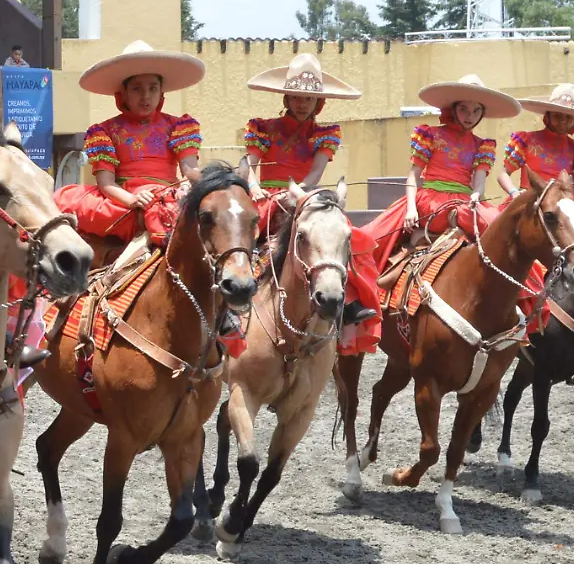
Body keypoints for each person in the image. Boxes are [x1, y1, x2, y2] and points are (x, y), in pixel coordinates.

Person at [239, 51, 380, 350]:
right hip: (266, 199)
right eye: (296, 97)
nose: (302, 103)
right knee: (237, 243)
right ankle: (231, 303)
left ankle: (351, 303)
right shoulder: (262, 127)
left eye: (309, 98)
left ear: (319, 102)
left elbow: (316, 172)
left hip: (303, 196)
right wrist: (253, 186)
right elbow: (247, 165)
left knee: (345, 241)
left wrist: (298, 194)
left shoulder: (325, 133)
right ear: (286, 98)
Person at [357, 74, 519, 273]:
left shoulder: (482, 145)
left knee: (502, 227)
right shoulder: (431, 134)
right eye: (464, 109)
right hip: (431, 201)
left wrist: (476, 194)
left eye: (476, 111)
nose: (470, 116)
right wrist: (410, 209)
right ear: (453, 108)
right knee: (371, 238)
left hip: (466, 202)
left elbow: (479, 181)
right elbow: (413, 176)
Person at [53, 40, 207, 249]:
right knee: (62, 203)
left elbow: (190, 171)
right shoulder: (105, 131)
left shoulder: (179, 126)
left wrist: (203, 184)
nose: (145, 96)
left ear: (161, 93)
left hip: (166, 197)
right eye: (137, 89)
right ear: (123, 93)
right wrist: (133, 200)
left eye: (152, 88)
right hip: (124, 201)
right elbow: (106, 184)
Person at [502, 83, 574, 331]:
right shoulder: (525, 140)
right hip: (531, 203)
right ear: (547, 115)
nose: (563, 121)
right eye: (558, 114)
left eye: (568, 116)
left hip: (563, 204)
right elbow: (503, 174)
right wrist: (514, 192)